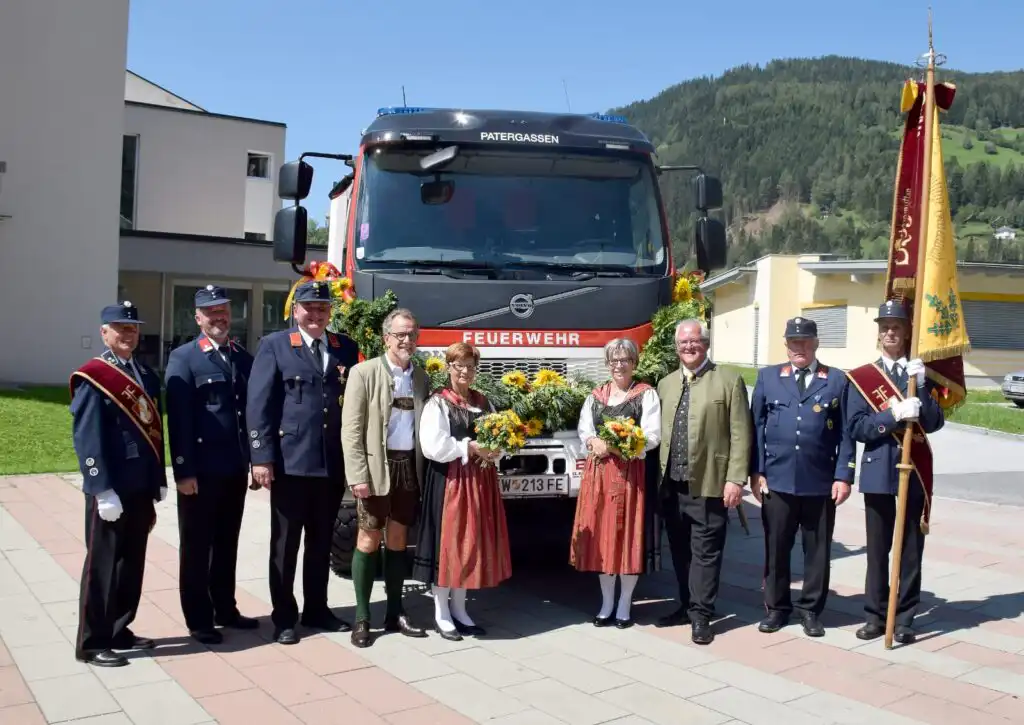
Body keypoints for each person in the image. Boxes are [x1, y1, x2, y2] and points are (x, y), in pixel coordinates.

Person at [246, 280, 360, 645]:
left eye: (322, 309)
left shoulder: (345, 348)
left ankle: (317, 609)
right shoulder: (276, 346)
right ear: (296, 311)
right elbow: (258, 405)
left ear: (330, 312)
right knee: (285, 545)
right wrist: (261, 457)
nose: (316, 315)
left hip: (330, 463)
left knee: (321, 541)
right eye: (309, 309)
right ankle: (283, 617)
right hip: (290, 463)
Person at [70, 301, 167, 667]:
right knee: (103, 566)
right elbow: (87, 437)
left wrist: (157, 479)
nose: (128, 334)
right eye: (120, 328)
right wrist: (100, 487)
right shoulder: (94, 376)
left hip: (140, 485)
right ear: (104, 333)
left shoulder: (143, 373)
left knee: (131, 563)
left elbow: (153, 432)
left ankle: (119, 627)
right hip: (110, 488)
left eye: (133, 328)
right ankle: (92, 642)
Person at [845, 299, 944, 645]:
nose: (890, 332)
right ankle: (875, 615)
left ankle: (904, 618)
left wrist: (923, 390)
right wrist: (892, 416)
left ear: (905, 333)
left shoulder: (920, 374)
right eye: (884, 326)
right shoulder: (862, 378)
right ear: (879, 333)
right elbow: (857, 427)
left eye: (896, 327)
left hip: (913, 473)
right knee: (877, 551)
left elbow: (934, 423)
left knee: (911, 552)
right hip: (878, 473)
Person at [750, 316, 856, 637]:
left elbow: (846, 433)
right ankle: (778, 608)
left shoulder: (837, 380)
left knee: (818, 551)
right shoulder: (768, 378)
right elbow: (755, 427)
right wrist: (756, 472)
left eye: (806, 342)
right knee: (776, 549)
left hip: (820, 483)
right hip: (777, 482)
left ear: (816, 344)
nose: (800, 347)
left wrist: (844, 476)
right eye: (794, 342)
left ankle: (810, 609)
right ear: (786, 345)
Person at [165, 285, 258, 644]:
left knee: (226, 542)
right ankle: (199, 618)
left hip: (232, 469)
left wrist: (253, 460)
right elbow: (179, 419)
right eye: (211, 311)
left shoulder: (240, 357)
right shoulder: (184, 358)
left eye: (223, 310)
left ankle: (225, 607)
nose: (219, 317)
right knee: (196, 545)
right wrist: (183, 470)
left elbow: (248, 413)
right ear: (198, 317)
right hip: (200, 472)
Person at [654, 319, 752, 644]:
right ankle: (685, 604)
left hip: (709, 483)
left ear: (706, 344)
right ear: (676, 347)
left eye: (695, 341)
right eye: (683, 343)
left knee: (706, 553)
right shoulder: (665, 384)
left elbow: (741, 434)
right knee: (680, 551)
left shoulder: (728, 381)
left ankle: (701, 615)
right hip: (673, 486)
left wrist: (736, 479)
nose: (689, 347)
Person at [341, 308, 430, 648]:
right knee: (367, 538)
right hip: (375, 468)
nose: (407, 340)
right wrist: (357, 475)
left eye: (412, 334)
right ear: (386, 337)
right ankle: (363, 618)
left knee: (397, 539)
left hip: (408, 466)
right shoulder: (363, 373)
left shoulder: (420, 377)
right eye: (401, 334)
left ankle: (395, 612)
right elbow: (351, 431)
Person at [412, 342, 512, 640]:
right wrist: (469, 447)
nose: (465, 372)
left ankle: (460, 608)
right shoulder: (438, 403)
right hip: (451, 483)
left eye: (470, 366)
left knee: (471, 545)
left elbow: (502, 436)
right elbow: (433, 447)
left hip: (479, 483)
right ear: (448, 368)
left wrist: (498, 451)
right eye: (459, 366)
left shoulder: (484, 403)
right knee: (450, 545)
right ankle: (442, 611)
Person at [571, 338, 662, 628]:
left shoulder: (645, 395)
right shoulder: (596, 396)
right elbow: (585, 428)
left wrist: (616, 446)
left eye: (625, 360)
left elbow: (652, 435)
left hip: (629, 475)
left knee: (626, 537)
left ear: (634, 363)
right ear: (608, 363)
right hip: (598, 476)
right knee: (603, 537)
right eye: (614, 360)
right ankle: (606, 603)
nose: (619, 365)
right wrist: (592, 439)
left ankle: (624, 604)